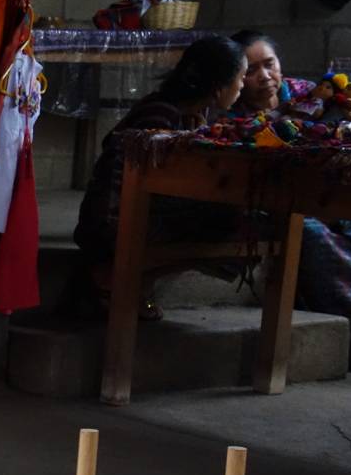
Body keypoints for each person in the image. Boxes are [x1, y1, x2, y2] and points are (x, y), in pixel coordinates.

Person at [233, 30, 351, 378]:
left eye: (270, 64)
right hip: (284, 199)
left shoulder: (307, 93)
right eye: (252, 70)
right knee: (309, 233)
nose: (265, 76)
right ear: (237, 77)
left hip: (331, 191)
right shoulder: (233, 114)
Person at [73, 36, 248, 315]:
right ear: (218, 88)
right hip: (111, 222)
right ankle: (109, 277)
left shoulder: (188, 114)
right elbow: (153, 185)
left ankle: (130, 282)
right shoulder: (160, 115)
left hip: (129, 216)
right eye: (241, 77)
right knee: (236, 227)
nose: (242, 85)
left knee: (240, 225)